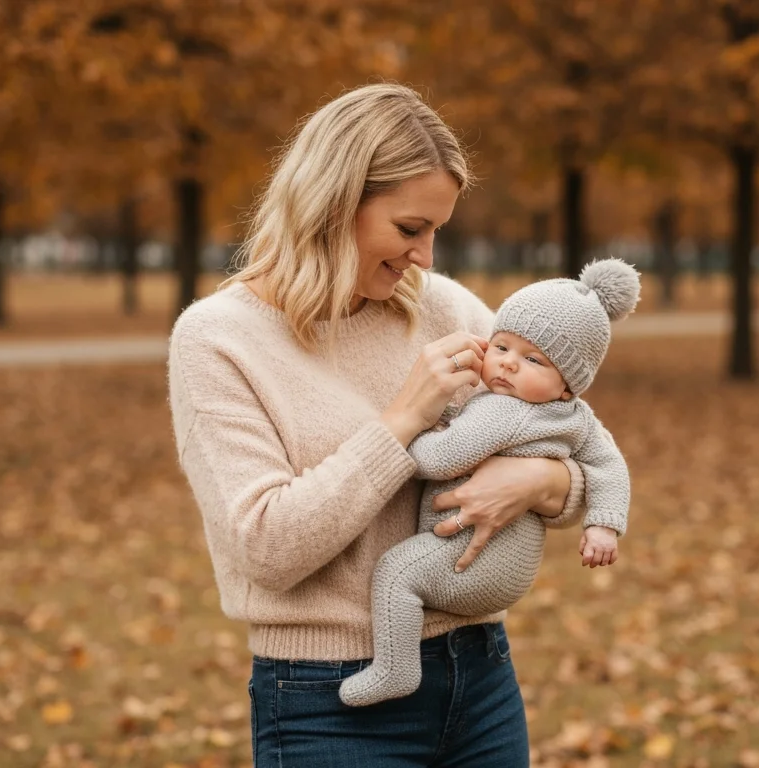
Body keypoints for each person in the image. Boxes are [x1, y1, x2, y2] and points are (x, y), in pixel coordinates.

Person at [167, 83, 589, 767]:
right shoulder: (219, 340)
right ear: (334, 205)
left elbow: (578, 451)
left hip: (481, 680)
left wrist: (539, 482)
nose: (425, 256)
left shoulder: (446, 309)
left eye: (436, 231)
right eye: (409, 229)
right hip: (328, 702)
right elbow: (267, 548)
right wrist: (403, 420)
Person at [338, 259, 639, 708]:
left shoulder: (504, 411)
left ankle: (396, 669)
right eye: (501, 346)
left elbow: (440, 459)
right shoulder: (578, 419)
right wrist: (603, 525)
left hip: (474, 561)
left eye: (533, 359)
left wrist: (413, 428)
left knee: (398, 573)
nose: (509, 364)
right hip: (509, 568)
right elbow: (609, 465)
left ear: (567, 386)